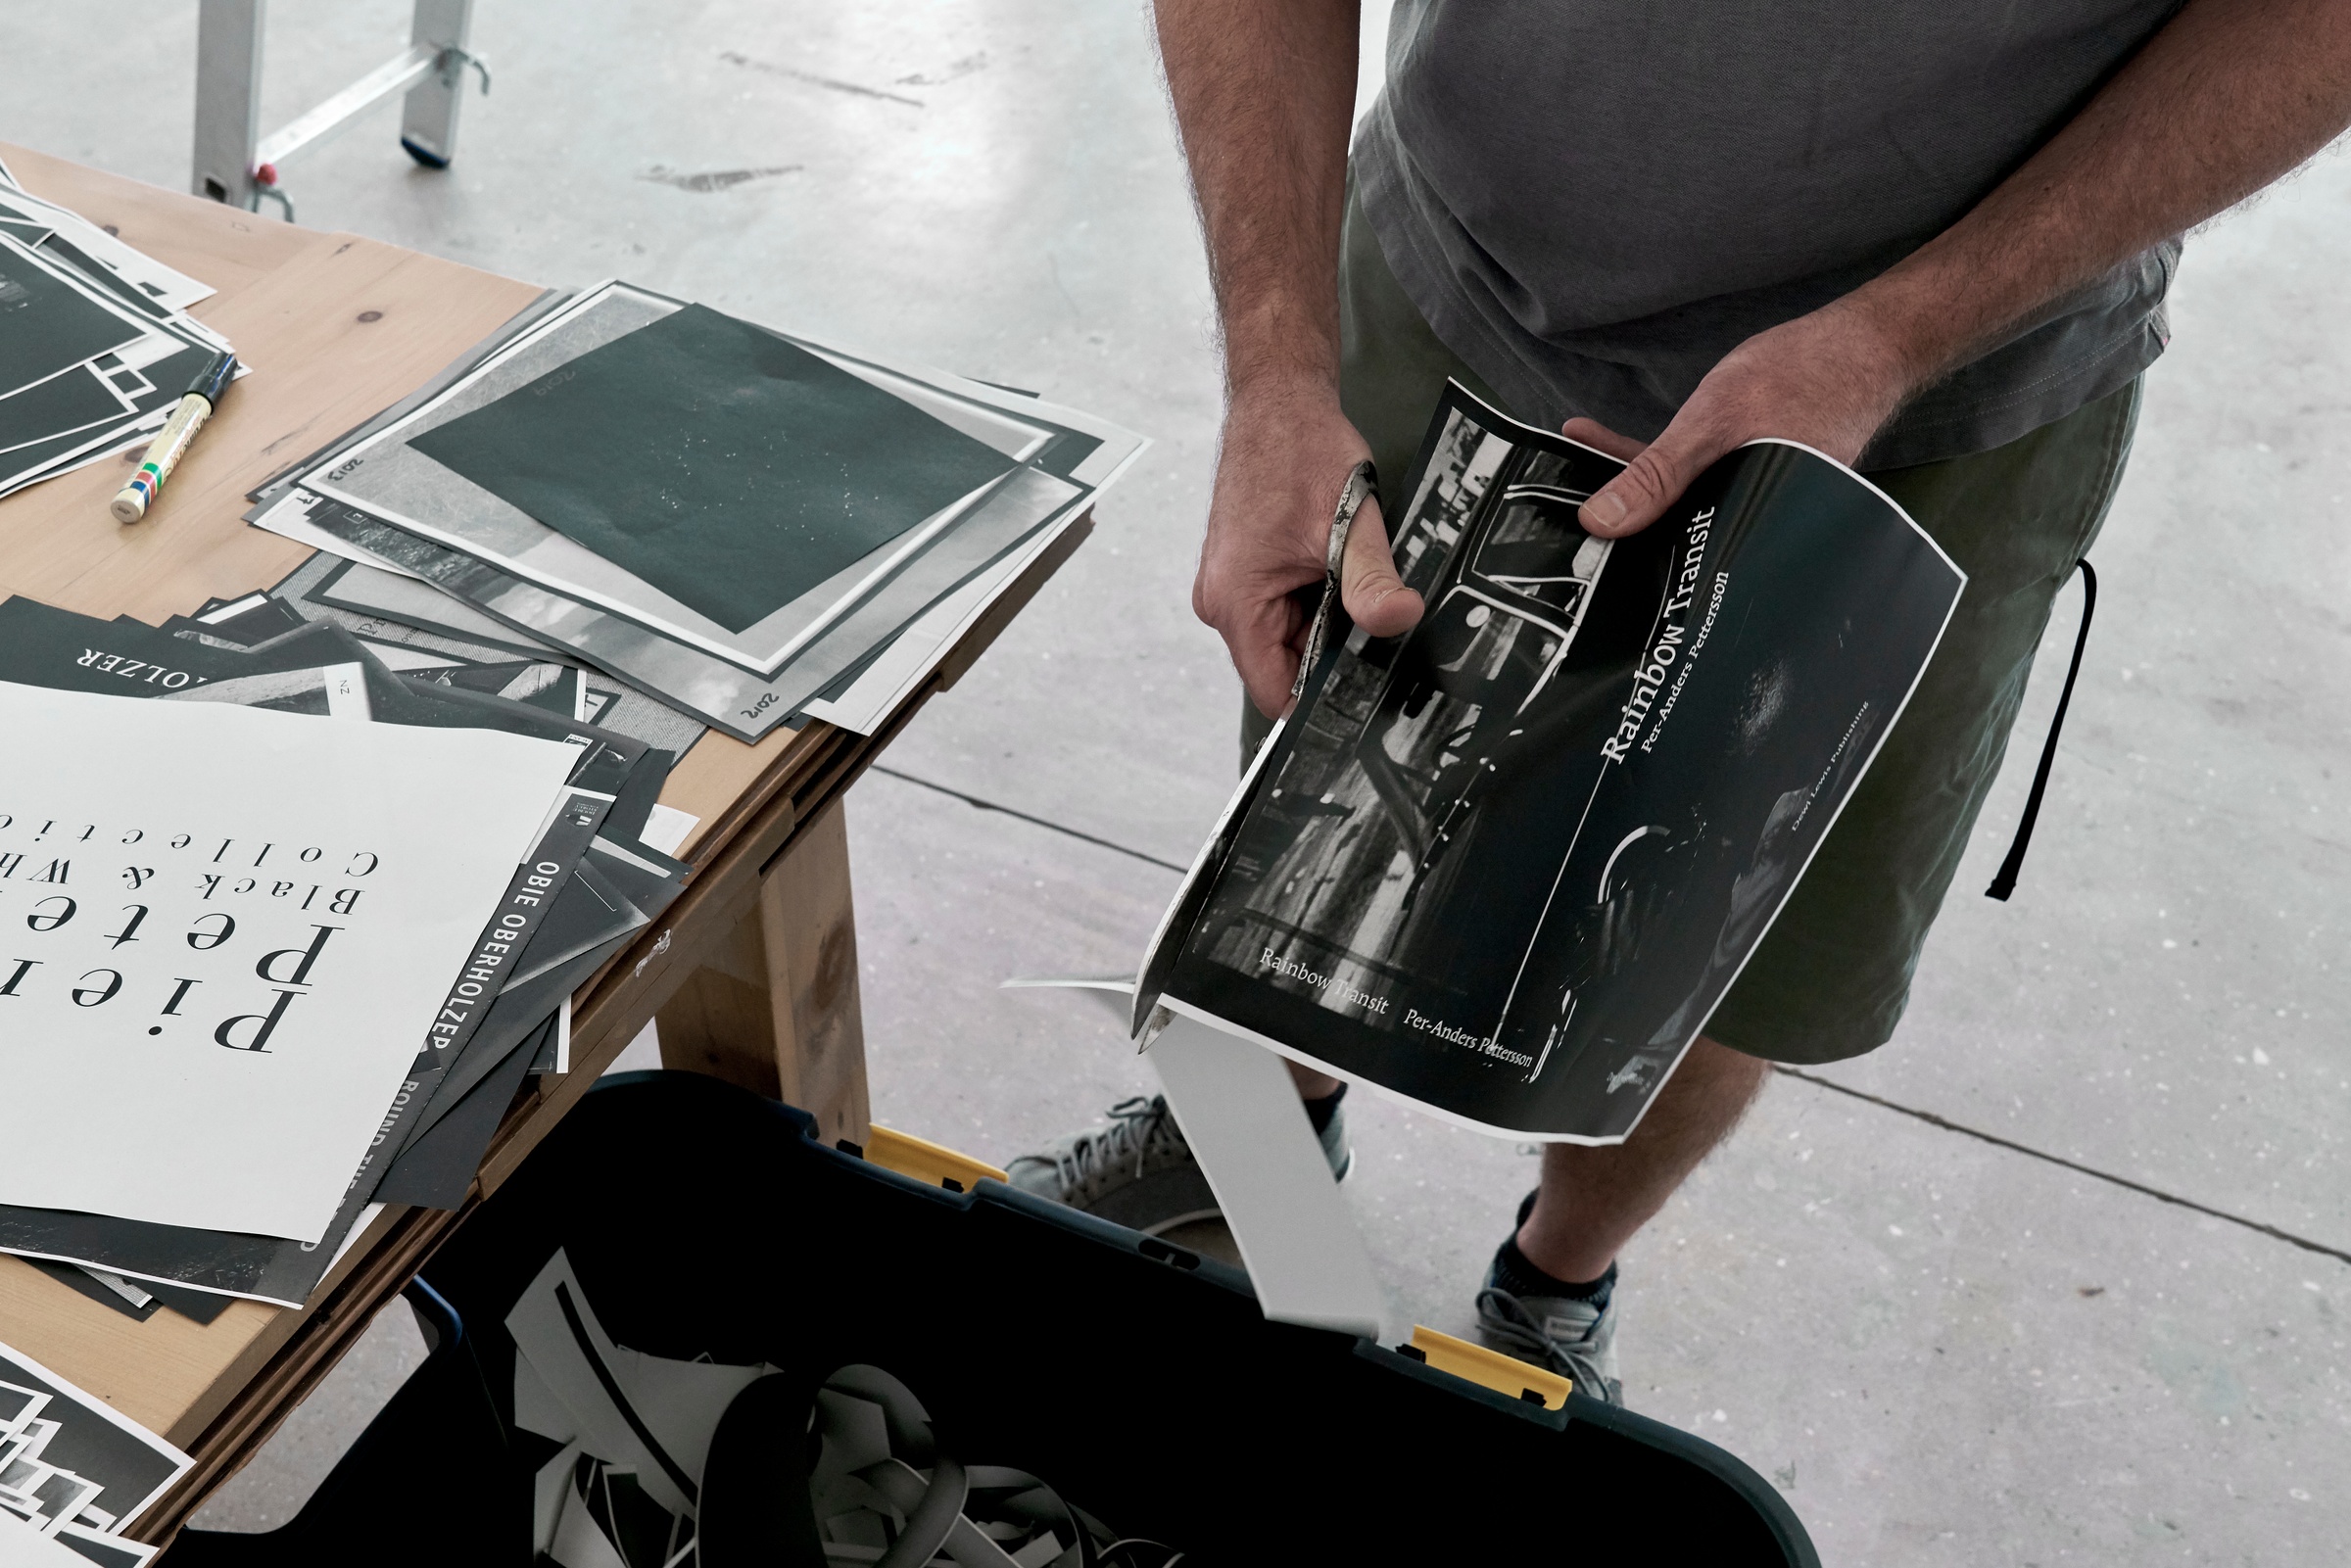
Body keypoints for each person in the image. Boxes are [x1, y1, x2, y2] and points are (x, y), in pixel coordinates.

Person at [1009, 0, 2351, 1402]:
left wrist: (1895, 339)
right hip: (1465, 271)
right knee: (1323, 811)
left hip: (1943, 395)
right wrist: (1278, 373)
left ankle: (1549, 1286)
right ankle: (1251, 1166)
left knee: (1721, 938)